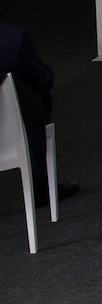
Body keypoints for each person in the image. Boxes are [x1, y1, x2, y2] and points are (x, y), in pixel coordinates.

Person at [0, 20, 78, 204]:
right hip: (11, 134)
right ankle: (39, 185)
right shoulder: (11, 38)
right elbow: (41, 78)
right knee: (30, 103)